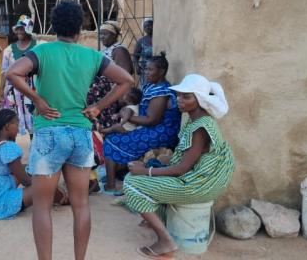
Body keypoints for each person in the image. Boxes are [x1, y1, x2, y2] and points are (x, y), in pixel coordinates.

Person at [6, 1, 134, 260]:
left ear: (53, 26)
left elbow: (13, 73)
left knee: (42, 207)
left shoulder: (42, 53)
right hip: (80, 134)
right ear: (80, 28)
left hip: (49, 133)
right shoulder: (92, 56)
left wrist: (38, 100)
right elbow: (127, 80)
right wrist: (98, 107)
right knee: (81, 204)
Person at [122, 74, 234, 258]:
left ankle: (166, 241)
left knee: (132, 184)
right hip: (202, 180)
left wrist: (145, 171)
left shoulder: (200, 127)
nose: (179, 100)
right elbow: (191, 159)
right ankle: (159, 221)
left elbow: (182, 169)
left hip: (199, 186)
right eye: (179, 95)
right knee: (151, 168)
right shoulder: (197, 120)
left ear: (200, 100)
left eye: (186, 96)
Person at [102, 52, 181, 194]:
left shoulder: (161, 92)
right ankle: (113, 176)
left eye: (150, 69)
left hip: (161, 132)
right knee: (115, 135)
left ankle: (110, 185)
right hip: (153, 128)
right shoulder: (153, 87)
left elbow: (152, 120)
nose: (146, 72)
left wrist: (125, 116)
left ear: (161, 71)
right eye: (146, 69)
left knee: (112, 140)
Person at [0, 109, 68, 220]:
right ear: (7, 126)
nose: (18, 128)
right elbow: (25, 180)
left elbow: (19, 170)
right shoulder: (7, 147)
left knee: (27, 169)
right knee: (43, 187)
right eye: (16, 124)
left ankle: (53, 192)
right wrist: (48, 185)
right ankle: (64, 198)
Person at [86, 20, 134, 129]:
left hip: (109, 93)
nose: (102, 37)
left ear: (115, 35)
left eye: (105, 34)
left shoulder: (119, 50)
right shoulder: (107, 50)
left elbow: (125, 76)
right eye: (100, 34)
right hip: (101, 92)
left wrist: (121, 99)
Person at [0, 15, 40, 137]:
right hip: (14, 91)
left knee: (34, 119)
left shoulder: (38, 46)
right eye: (17, 29)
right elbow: (4, 72)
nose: (19, 31)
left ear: (28, 29)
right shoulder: (9, 50)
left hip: (33, 89)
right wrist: (1, 90)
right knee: (12, 122)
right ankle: (12, 150)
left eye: (22, 28)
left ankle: (34, 150)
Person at [133, 18, 154, 89]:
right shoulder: (141, 41)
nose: (147, 28)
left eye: (150, 25)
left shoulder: (159, 38)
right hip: (145, 70)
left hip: (158, 69)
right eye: (145, 26)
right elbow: (135, 55)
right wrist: (137, 66)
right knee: (145, 88)